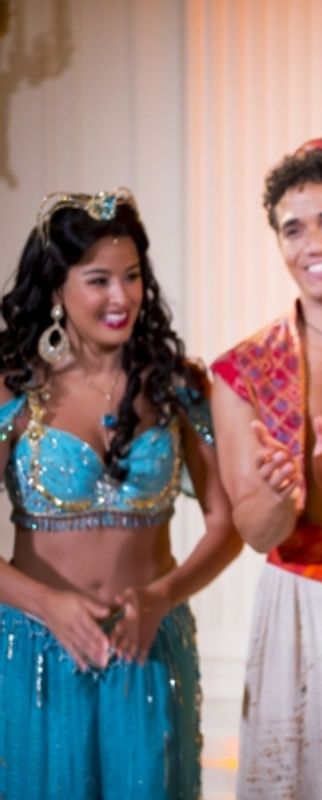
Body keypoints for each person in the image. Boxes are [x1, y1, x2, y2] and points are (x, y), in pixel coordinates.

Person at [0, 188, 243, 798]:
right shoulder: (12, 389)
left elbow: (226, 524)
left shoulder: (177, 386)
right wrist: (45, 604)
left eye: (132, 277)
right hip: (34, 652)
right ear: (57, 288)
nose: (121, 297)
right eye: (99, 280)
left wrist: (163, 596)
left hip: (149, 650)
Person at [210, 142, 322, 799]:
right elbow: (258, 533)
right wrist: (282, 490)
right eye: (293, 228)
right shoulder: (245, 370)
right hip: (301, 607)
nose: (313, 242)